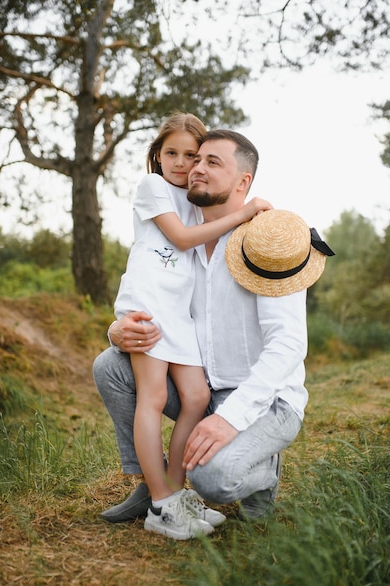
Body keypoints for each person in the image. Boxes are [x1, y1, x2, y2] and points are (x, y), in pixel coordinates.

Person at [93, 129, 334, 538]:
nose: (195, 168)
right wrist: (117, 330)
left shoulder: (265, 241)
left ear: (244, 182)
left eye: (212, 162)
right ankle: (156, 489)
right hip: (203, 389)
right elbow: (153, 296)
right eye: (195, 159)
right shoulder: (181, 238)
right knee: (109, 366)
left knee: (213, 479)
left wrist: (230, 419)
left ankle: (263, 473)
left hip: (265, 401)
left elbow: (289, 345)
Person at [112, 114, 272, 540]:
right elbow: (183, 240)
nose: (182, 163)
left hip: (178, 312)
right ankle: (161, 501)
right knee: (154, 395)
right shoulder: (153, 187)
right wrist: (248, 212)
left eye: (193, 155)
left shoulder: (195, 197)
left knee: (197, 396)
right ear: (157, 156)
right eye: (172, 153)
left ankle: (177, 492)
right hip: (149, 304)